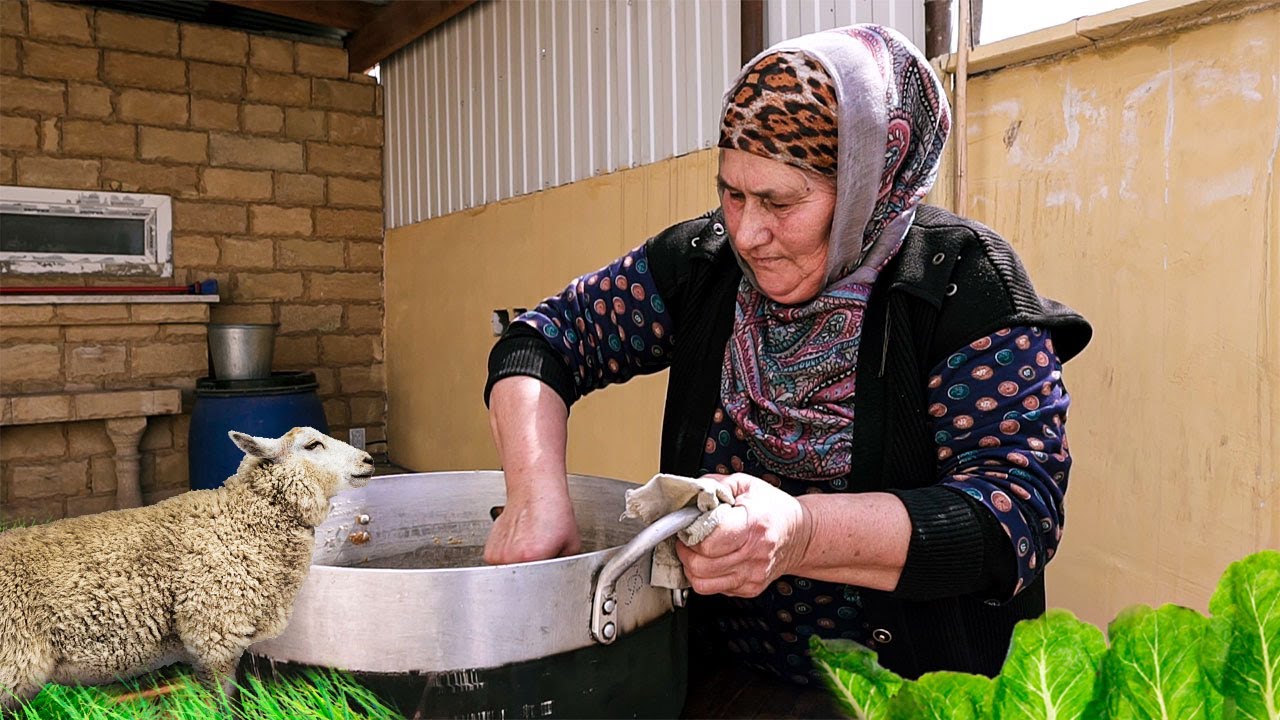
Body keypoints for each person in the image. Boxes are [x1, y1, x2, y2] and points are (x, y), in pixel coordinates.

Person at [482, 23, 1092, 688]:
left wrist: (802, 532)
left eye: (780, 200)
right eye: (733, 192)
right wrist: (534, 497)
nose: (747, 231)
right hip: (724, 679)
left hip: (907, 693)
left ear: (870, 178)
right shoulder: (704, 263)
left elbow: (1013, 514)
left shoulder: (962, 285)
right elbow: (545, 340)